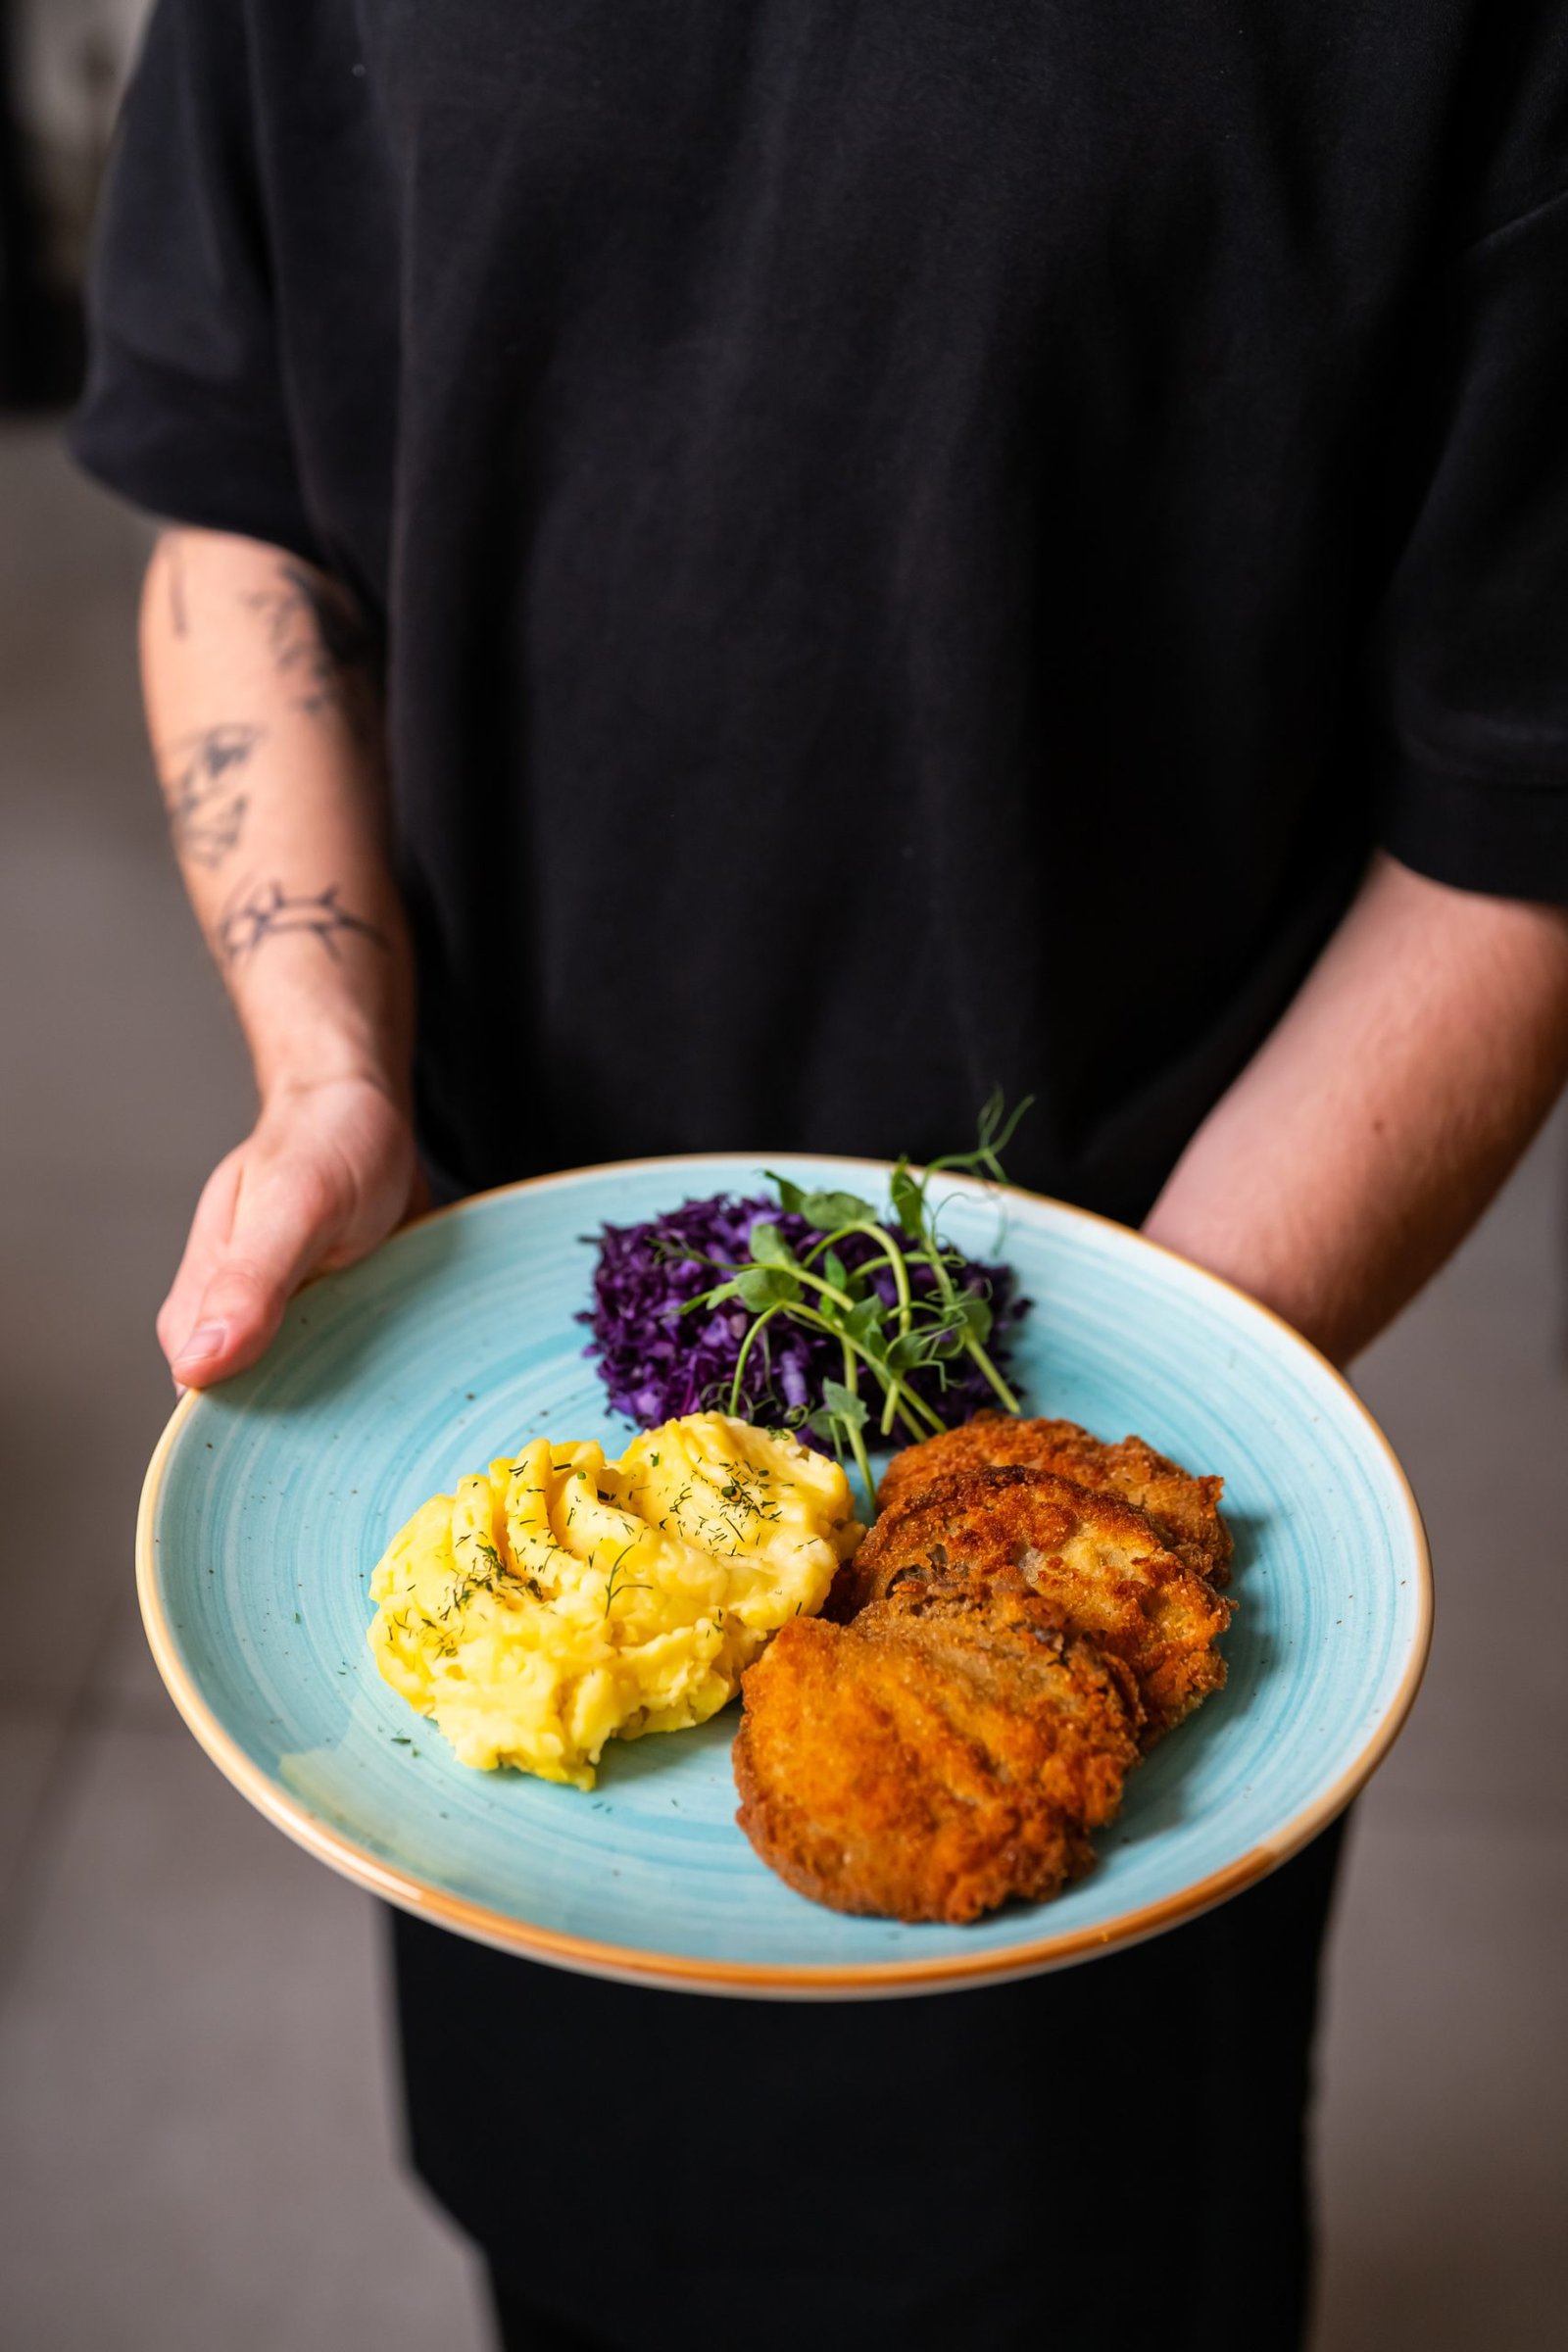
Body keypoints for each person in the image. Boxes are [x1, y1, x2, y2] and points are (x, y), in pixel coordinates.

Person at [72, 4, 1568, 2345]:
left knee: (1061, 2257)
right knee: (578, 2237)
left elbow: (1515, 808)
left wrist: (1103, 1471)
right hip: (511, 1372)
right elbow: (235, 485)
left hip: (1113, 1383)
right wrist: (329, 1070)